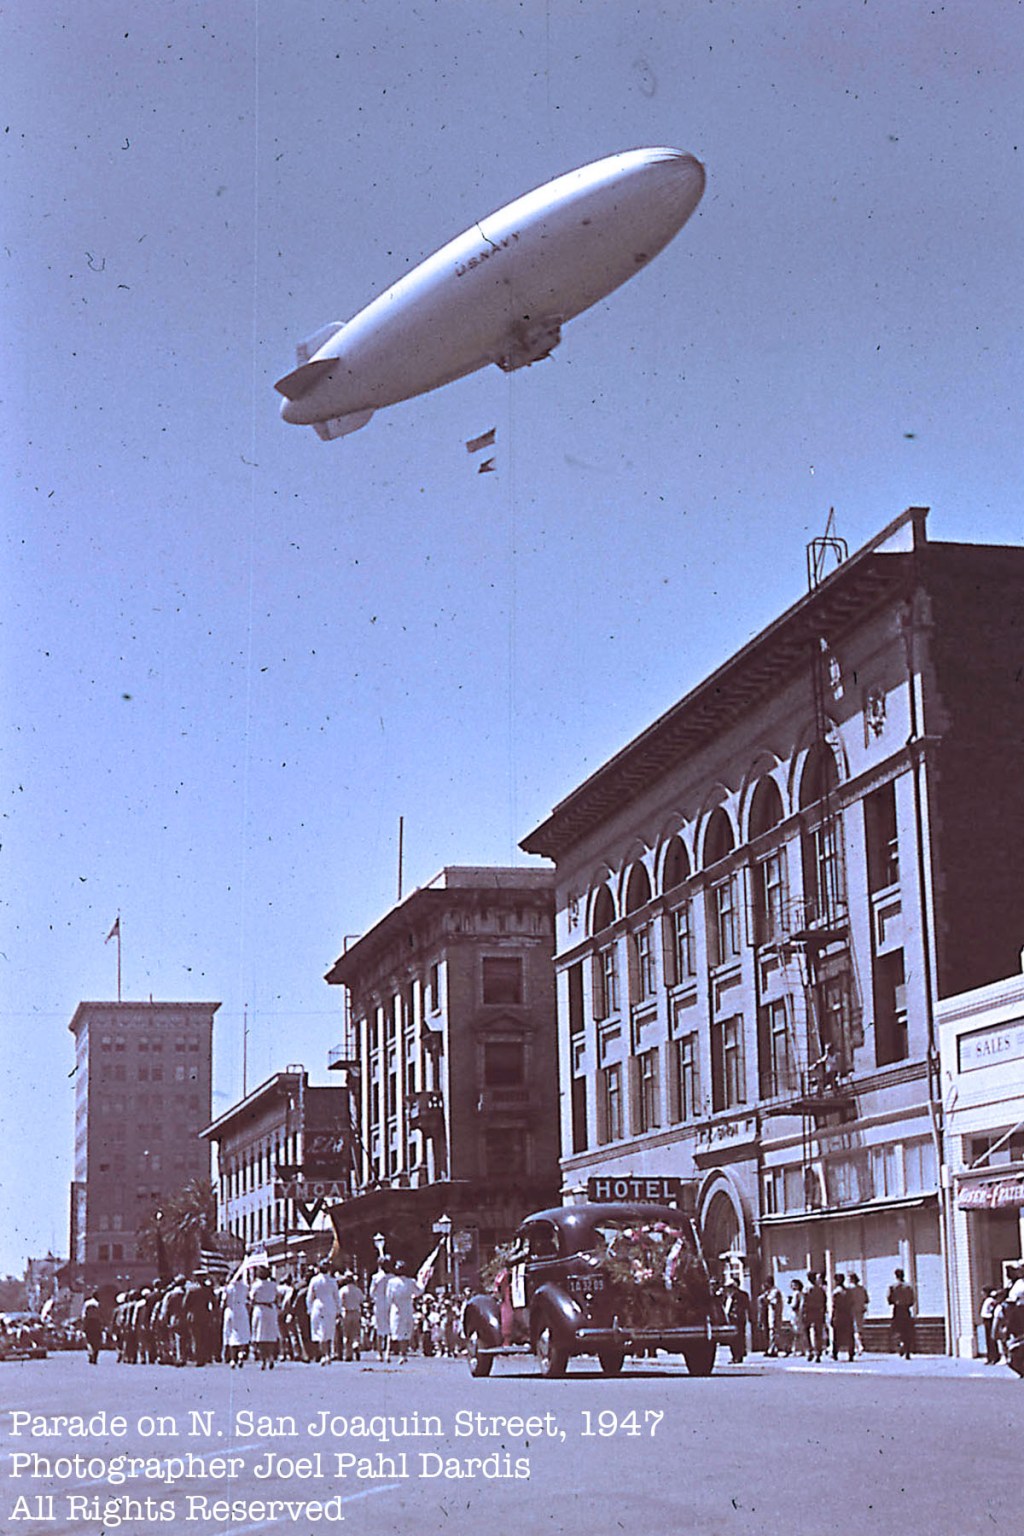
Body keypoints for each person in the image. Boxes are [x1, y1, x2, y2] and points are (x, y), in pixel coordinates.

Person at [384, 1259, 421, 1363]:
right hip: (406, 1308)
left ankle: (391, 1353)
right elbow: (418, 1292)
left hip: (397, 1308)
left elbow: (388, 1297)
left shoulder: (392, 1282)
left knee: (395, 1331)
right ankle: (401, 1354)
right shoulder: (410, 1282)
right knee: (403, 1332)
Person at [306, 1261, 340, 1365]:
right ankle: (328, 1353)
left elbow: (310, 1296)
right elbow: (337, 1297)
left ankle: (324, 1354)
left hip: (318, 1305)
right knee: (328, 1330)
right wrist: (338, 1309)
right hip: (330, 1305)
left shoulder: (314, 1280)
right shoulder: (332, 1281)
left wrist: (310, 1308)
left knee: (320, 1331)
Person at [249, 1266, 281, 1370]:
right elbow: (277, 1296)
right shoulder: (273, 1285)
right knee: (270, 1335)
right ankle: (270, 1357)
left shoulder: (256, 1285)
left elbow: (251, 1298)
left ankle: (263, 1360)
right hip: (271, 1309)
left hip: (260, 1309)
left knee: (260, 1335)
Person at [221, 1271, 251, 1368]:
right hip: (242, 1310)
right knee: (242, 1333)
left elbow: (223, 1301)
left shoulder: (228, 1288)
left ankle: (233, 1359)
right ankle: (241, 1353)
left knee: (230, 1333)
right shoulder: (245, 1287)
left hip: (231, 1310)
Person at [887, 1268, 916, 1358]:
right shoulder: (908, 1287)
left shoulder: (893, 1287)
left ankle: (901, 1344)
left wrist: (894, 1301)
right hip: (906, 1309)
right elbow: (912, 1300)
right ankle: (907, 1349)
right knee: (907, 1330)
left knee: (897, 1329)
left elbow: (889, 1299)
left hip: (897, 1309)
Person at [338, 1272, 365, 1361]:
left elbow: (339, 1303)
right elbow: (362, 1300)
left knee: (347, 1334)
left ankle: (348, 1354)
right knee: (356, 1332)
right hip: (356, 1312)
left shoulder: (343, 1290)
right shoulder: (358, 1290)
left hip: (346, 1312)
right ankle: (356, 1344)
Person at [370, 1259, 392, 1361]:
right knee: (389, 1329)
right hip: (390, 1304)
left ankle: (380, 1353)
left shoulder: (375, 1277)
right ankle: (387, 1352)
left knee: (379, 1329)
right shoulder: (392, 1278)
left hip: (379, 1305)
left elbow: (371, 1292)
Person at [830, 1273, 855, 1361]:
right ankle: (851, 1353)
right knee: (849, 1335)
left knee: (837, 1335)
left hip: (839, 1314)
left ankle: (835, 1353)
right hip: (847, 1314)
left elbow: (834, 1305)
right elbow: (852, 1303)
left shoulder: (836, 1292)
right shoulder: (848, 1291)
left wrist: (832, 1317)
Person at [803, 1272, 827, 1362]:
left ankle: (810, 1351)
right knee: (818, 1332)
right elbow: (824, 1301)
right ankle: (818, 1352)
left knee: (807, 1332)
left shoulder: (807, 1289)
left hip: (809, 1312)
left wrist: (803, 1313)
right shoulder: (820, 1289)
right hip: (818, 1311)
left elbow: (804, 1302)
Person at [846, 1273, 869, 1357]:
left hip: (851, 1311)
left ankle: (859, 1346)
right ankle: (858, 1346)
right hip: (861, 1310)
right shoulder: (862, 1289)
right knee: (859, 1328)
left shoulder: (849, 1290)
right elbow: (866, 1300)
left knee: (854, 1329)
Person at [81, 1294, 104, 1365]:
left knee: (89, 1339)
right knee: (97, 1341)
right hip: (96, 1324)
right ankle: (95, 1356)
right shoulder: (98, 1304)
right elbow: (101, 1315)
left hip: (88, 1323)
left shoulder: (87, 1303)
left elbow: (83, 1315)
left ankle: (90, 1351)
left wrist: (84, 1324)